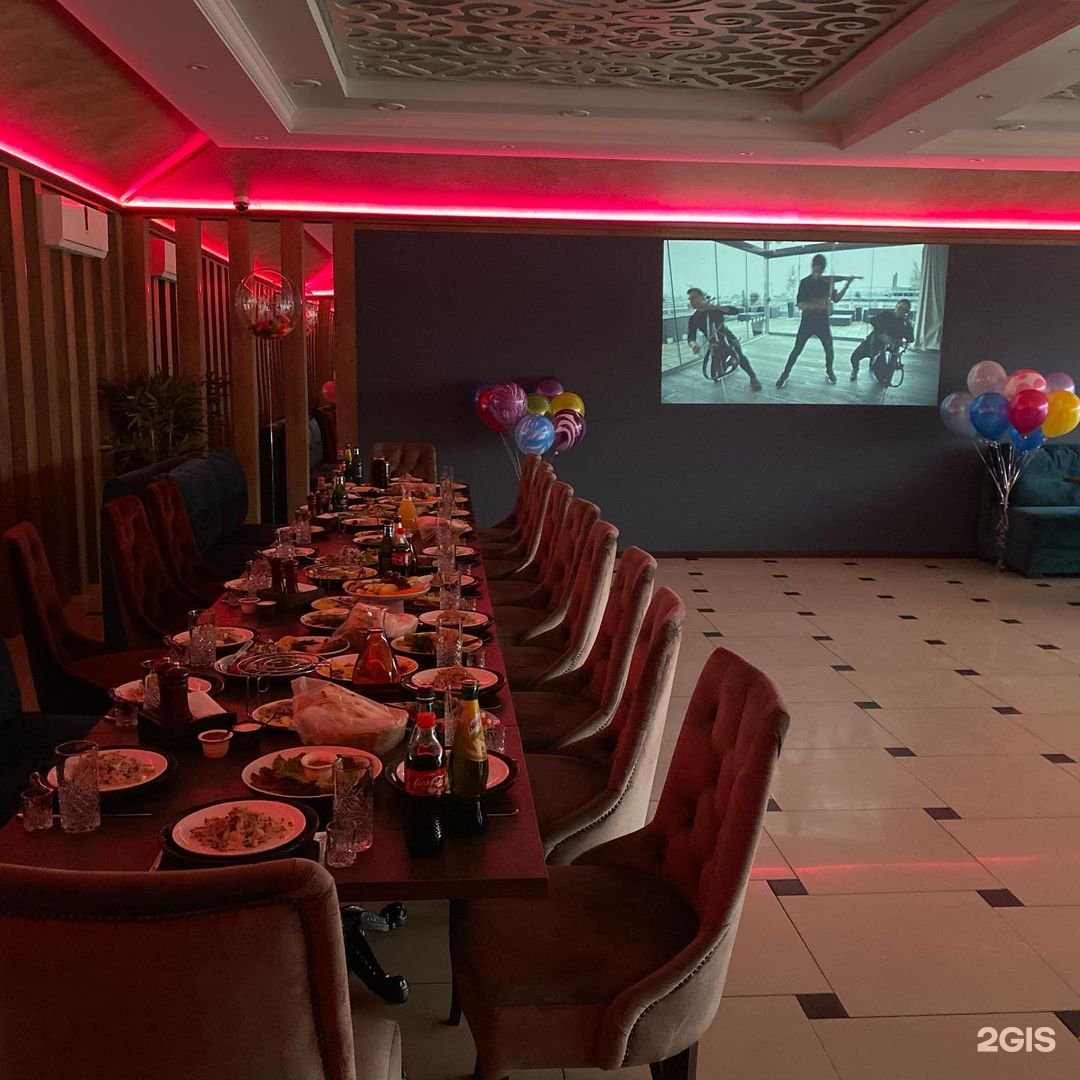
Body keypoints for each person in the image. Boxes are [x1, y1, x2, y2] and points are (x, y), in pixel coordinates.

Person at [775, 254, 858, 388]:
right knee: (797, 350)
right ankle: (785, 374)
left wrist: (847, 285)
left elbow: (836, 299)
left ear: (823, 269)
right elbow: (800, 305)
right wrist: (819, 304)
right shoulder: (805, 282)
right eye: (816, 270)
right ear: (812, 267)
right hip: (807, 322)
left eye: (820, 271)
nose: (818, 273)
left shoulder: (827, 282)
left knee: (829, 350)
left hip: (822, 323)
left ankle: (829, 371)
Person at [686, 288, 762, 392]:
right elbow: (691, 336)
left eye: (693, 298)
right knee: (715, 376)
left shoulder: (714, 309)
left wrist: (716, 307)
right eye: (690, 299)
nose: (691, 301)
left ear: (702, 297)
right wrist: (693, 345)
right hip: (714, 344)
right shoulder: (694, 318)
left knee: (739, 355)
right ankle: (731, 362)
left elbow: (735, 311)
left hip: (727, 338)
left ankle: (753, 377)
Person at [850, 299, 914, 380]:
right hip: (871, 343)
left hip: (883, 350)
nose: (900, 311)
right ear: (896, 307)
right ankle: (855, 370)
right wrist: (883, 333)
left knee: (882, 378)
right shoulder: (887, 314)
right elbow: (872, 320)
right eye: (899, 308)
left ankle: (875, 365)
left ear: (906, 312)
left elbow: (911, 339)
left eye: (904, 310)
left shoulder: (904, 323)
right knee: (854, 357)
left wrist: (909, 327)